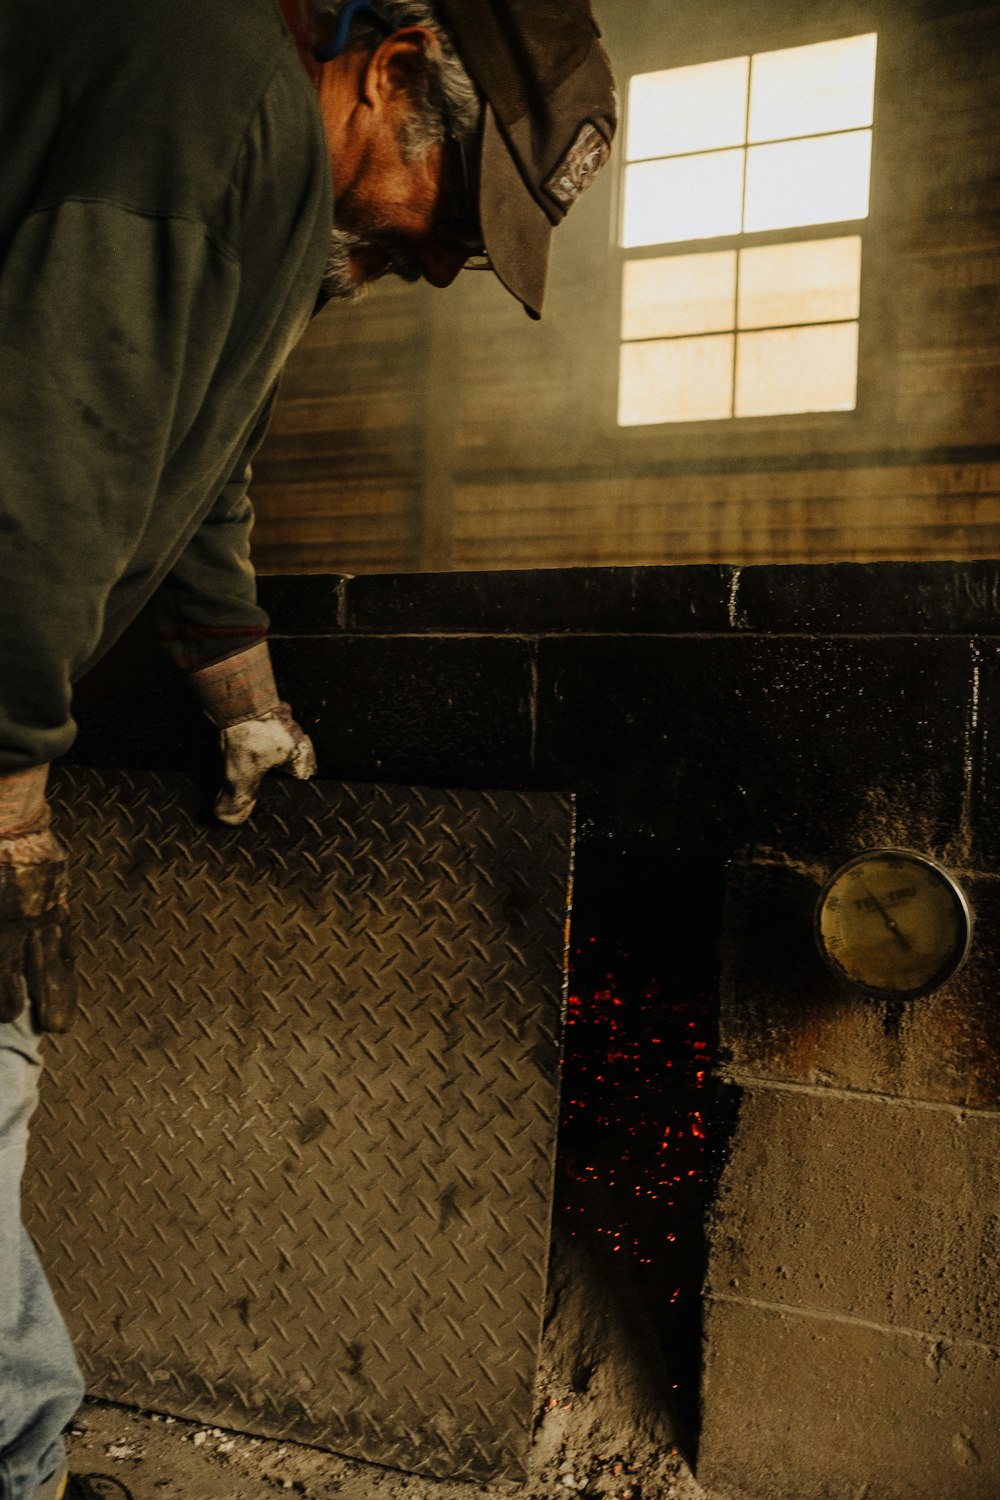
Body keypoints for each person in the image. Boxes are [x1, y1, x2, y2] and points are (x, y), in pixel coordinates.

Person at [0, 1, 616, 1496]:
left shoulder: (267, 189)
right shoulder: (212, 92)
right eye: (447, 218)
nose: (434, 263)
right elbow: (42, 455)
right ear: (394, 68)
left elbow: (198, 471)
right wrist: (10, 784)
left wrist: (245, 697)